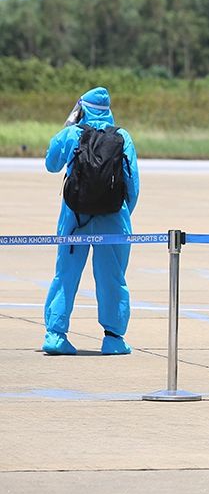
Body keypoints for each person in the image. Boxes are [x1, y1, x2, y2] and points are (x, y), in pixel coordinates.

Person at [43, 87, 140, 355]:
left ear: (81, 109)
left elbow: (51, 164)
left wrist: (67, 125)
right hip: (113, 220)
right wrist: (119, 215)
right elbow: (132, 186)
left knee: (65, 274)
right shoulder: (123, 137)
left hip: (74, 218)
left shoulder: (72, 134)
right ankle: (113, 338)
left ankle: (55, 335)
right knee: (112, 278)